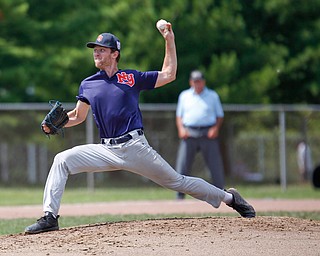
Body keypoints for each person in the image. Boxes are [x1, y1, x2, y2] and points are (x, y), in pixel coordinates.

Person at [25, 21, 255, 234]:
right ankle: (50, 217)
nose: (96, 52)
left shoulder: (131, 78)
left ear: (115, 54)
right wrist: (55, 124)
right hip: (106, 150)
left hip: (134, 146)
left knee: (177, 181)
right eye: (95, 49)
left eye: (101, 49)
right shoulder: (88, 84)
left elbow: (169, 74)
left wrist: (169, 39)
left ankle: (229, 198)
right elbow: (78, 115)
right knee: (61, 160)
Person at [175, 70, 225, 200]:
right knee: (183, 165)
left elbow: (220, 115)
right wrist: (181, 128)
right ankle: (179, 196)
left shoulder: (212, 96)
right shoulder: (184, 95)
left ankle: (221, 194)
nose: (198, 84)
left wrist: (215, 128)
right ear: (191, 82)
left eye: (200, 81)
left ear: (204, 82)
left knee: (215, 165)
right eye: (195, 81)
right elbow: (179, 116)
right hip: (189, 132)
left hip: (208, 133)